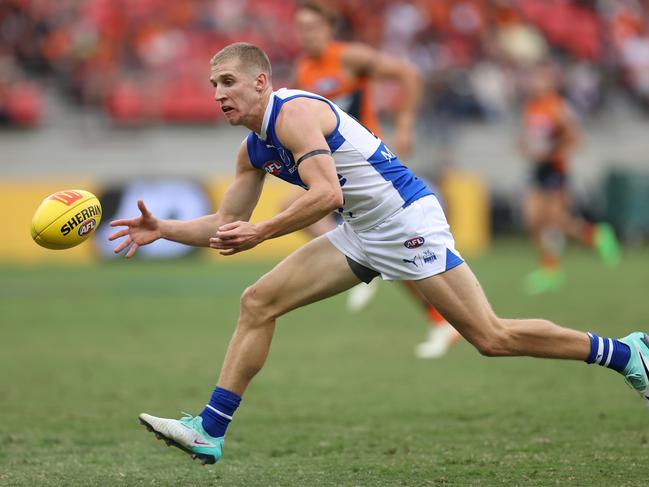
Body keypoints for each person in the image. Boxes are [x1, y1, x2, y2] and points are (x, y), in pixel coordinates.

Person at [110, 43, 648, 465]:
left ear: (260, 81)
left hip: (406, 220)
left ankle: (625, 353)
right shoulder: (252, 149)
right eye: (212, 85)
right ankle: (210, 430)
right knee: (258, 302)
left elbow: (327, 196)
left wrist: (263, 232)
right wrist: (165, 229)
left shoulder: (293, 115)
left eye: (227, 82)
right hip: (363, 231)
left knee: (491, 337)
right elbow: (226, 226)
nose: (218, 94)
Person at [289, 1, 460, 357]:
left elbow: (408, 75)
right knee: (387, 249)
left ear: (328, 28)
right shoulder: (304, 70)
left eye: (313, 27)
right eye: (301, 28)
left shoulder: (349, 57)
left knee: (394, 246)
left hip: (368, 165)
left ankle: (369, 267)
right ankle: (433, 315)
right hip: (335, 168)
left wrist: (406, 122)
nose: (307, 35)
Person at [519, 62, 621, 295]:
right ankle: (551, 269)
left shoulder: (557, 106)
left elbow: (576, 137)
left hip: (555, 169)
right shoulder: (532, 106)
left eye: (540, 79)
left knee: (555, 219)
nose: (534, 83)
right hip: (538, 169)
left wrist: (553, 152)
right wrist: (525, 146)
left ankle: (595, 235)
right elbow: (533, 137)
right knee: (532, 219)